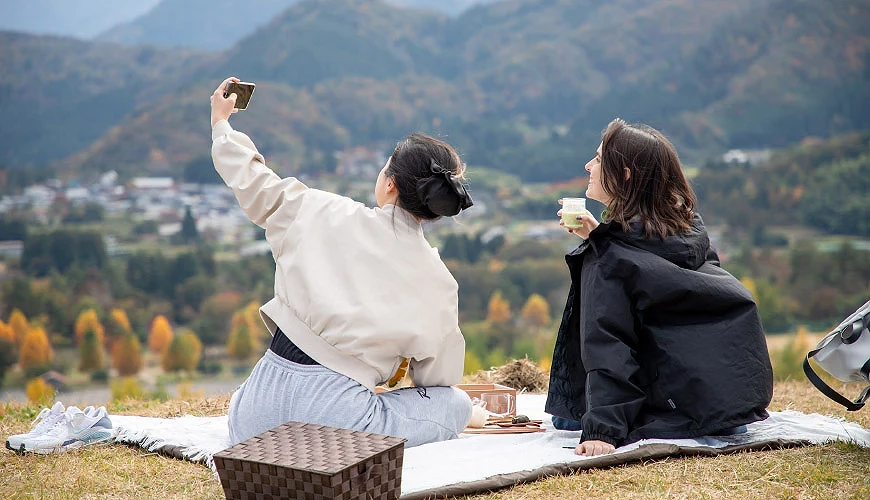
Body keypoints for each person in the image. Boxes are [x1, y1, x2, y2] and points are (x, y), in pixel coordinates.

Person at [209, 77, 475, 447]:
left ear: (390, 184)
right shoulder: (439, 282)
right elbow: (436, 380)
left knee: (259, 396)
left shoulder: (319, 208)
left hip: (253, 417)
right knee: (456, 404)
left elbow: (255, 182)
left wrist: (222, 125)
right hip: (338, 428)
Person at [546, 118, 773, 457]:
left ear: (623, 175)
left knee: (564, 417)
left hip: (673, 412)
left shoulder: (609, 256)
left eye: (597, 159)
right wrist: (601, 238)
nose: (588, 166)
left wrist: (602, 431)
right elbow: (656, 284)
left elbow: (609, 343)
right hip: (728, 407)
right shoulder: (688, 233)